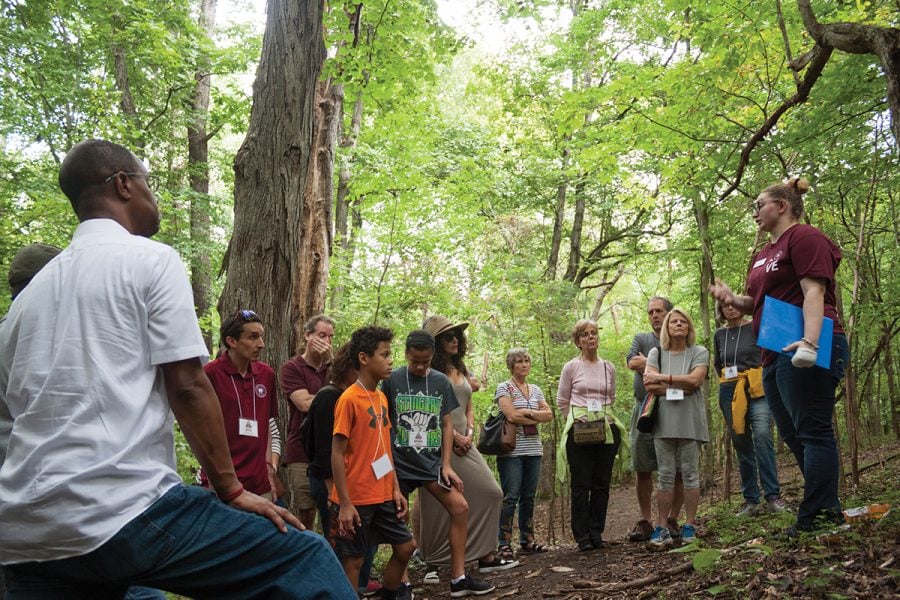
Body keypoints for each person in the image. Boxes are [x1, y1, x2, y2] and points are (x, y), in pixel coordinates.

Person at [0, 139, 354, 599]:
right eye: (148, 182)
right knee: (304, 556)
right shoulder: (149, 259)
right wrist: (230, 490)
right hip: (121, 510)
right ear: (123, 184)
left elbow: (9, 428)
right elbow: (187, 386)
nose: (155, 197)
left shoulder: (25, 304)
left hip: (26, 531)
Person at [710, 177, 848, 536]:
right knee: (792, 434)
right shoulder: (762, 255)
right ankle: (826, 508)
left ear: (782, 206)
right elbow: (755, 305)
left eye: (759, 205)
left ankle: (818, 515)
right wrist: (731, 299)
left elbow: (814, 290)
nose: (754, 212)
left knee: (814, 431)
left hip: (807, 345)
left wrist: (810, 342)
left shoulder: (805, 238)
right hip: (772, 352)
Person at [382, 329, 496, 597]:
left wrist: (445, 464)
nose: (420, 367)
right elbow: (385, 424)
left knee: (460, 507)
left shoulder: (440, 382)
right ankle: (403, 583)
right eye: (415, 361)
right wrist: (390, 471)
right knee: (399, 517)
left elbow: (446, 424)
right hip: (400, 462)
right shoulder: (393, 379)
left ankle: (458, 578)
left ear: (433, 356)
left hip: (429, 463)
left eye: (425, 361)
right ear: (406, 355)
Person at [418, 316, 519, 576]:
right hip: (439, 444)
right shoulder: (429, 373)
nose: (455, 340)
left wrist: (470, 432)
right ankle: (434, 563)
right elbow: (429, 414)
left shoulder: (460, 368)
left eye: (456, 336)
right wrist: (453, 438)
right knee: (437, 502)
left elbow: (468, 406)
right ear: (436, 343)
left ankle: (485, 555)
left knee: (490, 492)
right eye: (448, 337)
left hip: (465, 442)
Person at [330, 326, 416, 600]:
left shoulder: (380, 397)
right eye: (385, 354)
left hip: (382, 494)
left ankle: (389, 595)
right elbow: (336, 453)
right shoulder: (348, 400)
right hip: (354, 499)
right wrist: (344, 503)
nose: (391, 360)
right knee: (353, 561)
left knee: (406, 547)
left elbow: (384, 447)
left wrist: (393, 488)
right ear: (364, 358)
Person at [306, 344, 382, 597]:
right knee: (341, 542)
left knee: (360, 542)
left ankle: (358, 586)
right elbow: (326, 449)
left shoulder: (365, 396)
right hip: (331, 483)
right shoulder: (331, 397)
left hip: (355, 484)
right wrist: (333, 492)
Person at [642, 308, 709, 547]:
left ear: (689, 327)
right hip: (663, 423)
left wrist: (665, 379)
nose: (678, 325)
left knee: (690, 474)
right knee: (666, 476)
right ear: (667, 328)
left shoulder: (699, 352)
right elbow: (650, 386)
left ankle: (689, 525)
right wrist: (680, 385)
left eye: (683, 322)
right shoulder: (656, 353)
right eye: (674, 322)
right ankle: (661, 527)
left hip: (690, 423)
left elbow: (695, 381)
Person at [556, 319, 624, 551]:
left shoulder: (609, 367)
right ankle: (582, 536)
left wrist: (603, 415)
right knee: (581, 483)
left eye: (594, 333)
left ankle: (597, 532)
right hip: (580, 429)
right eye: (585, 334)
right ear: (578, 341)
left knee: (601, 482)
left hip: (605, 426)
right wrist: (575, 419)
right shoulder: (571, 367)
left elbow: (611, 397)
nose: (590, 337)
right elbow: (562, 401)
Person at [713, 301, 785, 516]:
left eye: (732, 304)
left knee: (763, 436)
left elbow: (770, 354)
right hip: (730, 391)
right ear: (721, 311)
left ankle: (773, 496)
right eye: (724, 306)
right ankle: (751, 501)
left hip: (757, 387)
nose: (730, 308)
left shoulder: (755, 326)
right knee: (741, 442)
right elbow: (718, 363)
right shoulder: (719, 334)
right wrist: (730, 383)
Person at [199, 310, 278, 499]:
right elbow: (201, 430)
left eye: (261, 337)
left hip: (259, 484)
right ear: (231, 341)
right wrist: (212, 477)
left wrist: (268, 469)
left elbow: (266, 424)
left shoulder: (266, 374)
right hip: (222, 484)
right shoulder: (210, 374)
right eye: (253, 337)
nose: (261, 344)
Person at [625, 296, 684, 542]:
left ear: (669, 313)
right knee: (643, 467)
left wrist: (649, 366)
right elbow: (631, 362)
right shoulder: (642, 338)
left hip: (674, 408)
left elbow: (685, 374)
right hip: (644, 408)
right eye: (650, 312)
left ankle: (671, 519)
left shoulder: (681, 338)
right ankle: (646, 521)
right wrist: (664, 368)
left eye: (659, 311)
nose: (654, 316)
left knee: (678, 468)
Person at [495, 348, 553, 556]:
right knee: (510, 497)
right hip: (512, 451)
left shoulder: (536, 389)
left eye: (527, 360)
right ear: (511, 365)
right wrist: (534, 415)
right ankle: (504, 543)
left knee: (528, 496)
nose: (524, 364)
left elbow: (549, 415)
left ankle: (527, 541)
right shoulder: (504, 388)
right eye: (519, 361)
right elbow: (511, 416)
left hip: (533, 450)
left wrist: (528, 412)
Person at [281, 314, 336, 529]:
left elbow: (350, 397)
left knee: (332, 509)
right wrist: (332, 398)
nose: (327, 341)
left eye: (330, 337)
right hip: (301, 450)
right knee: (305, 511)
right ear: (307, 336)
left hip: (332, 449)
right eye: (322, 335)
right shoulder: (292, 368)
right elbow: (304, 403)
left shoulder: (334, 367)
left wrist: (331, 363)